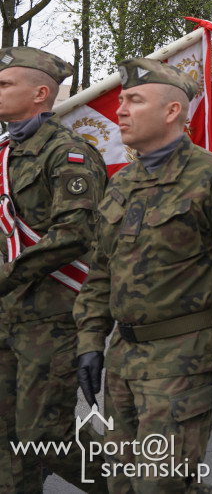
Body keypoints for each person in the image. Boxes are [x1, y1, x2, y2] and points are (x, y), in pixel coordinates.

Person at [75, 58, 212, 494]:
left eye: (134, 100)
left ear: (171, 112)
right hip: (123, 360)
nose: (120, 111)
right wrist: (90, 342)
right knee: (121, 484)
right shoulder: (123, 184)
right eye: (121, 101)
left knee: (159, 486)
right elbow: (101, 273)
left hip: (183, 360)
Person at [0, 47, 107, 492]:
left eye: (5, 84)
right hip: (9, 314)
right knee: (7, 437)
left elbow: (74, 234)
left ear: (40, 93)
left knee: (45, 437)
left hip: (53, 317)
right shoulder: (6, 152)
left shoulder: (68, 154)